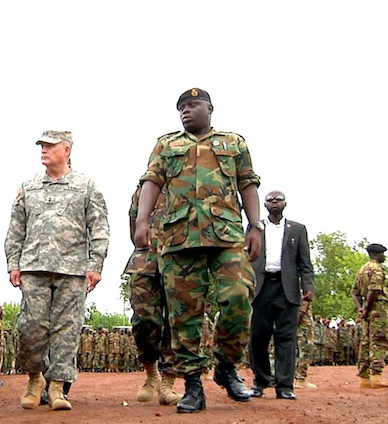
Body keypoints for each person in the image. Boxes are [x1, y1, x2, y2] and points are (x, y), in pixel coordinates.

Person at [133, 88, 261, 413]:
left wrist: (256, 226)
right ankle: (192, 385)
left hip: (227, 233)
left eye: (192, 105)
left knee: (237, 295)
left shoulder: (234, 143)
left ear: (209, 108)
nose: (186, 112)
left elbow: (247, 182)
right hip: (178, 237)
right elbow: (152, 180)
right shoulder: (167, 144)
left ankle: (227, 366)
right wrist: (142, 220)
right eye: (181, 108)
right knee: (183, 317)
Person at [4, 130, 110, 411]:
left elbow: (99, 227)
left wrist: (95, 265)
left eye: (50, 146)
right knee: (30, 327)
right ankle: (34, 378)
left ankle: (58, 388)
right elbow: (16, 228)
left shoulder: (86, 186)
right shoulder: (28, 186)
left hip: (72, 269)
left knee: (67, 330)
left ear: (67, 150)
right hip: (34, 267)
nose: (43, 150)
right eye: (41, 146)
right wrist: (13, 263)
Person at [248, 190, 314, 401]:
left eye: (279, 199)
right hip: (261, 287)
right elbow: (245, 257)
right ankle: (260, 381)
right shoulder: (254, 228)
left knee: (286, 337)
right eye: (270, 200)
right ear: (265, 205)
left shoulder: (298, 229)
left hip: (287, 289)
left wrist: (308, 286)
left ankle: (285, 385)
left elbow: (305, 262)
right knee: (258, 337)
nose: (275, 202)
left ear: (285, 203)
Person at [124, 183, 182, 405]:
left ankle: (168, 382)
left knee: (175, 322)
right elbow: (133, 224)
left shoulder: (189, 182)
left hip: (180, 261)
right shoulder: (144, 189)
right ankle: (151, 373)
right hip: (145, 260)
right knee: (143, 320)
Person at [351, 243, 388, 389]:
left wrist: (361, 309)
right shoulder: (377, 269)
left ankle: (364, 377)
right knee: (379, 340)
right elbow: (374, 290)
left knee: (366, 341)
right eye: (383, 254)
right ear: (378, 254)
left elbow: (354, 293)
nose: (384, 257)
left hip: (367, 310)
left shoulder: (362, 269)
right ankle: (377, 375)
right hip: (377, 309)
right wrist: (366, 308)